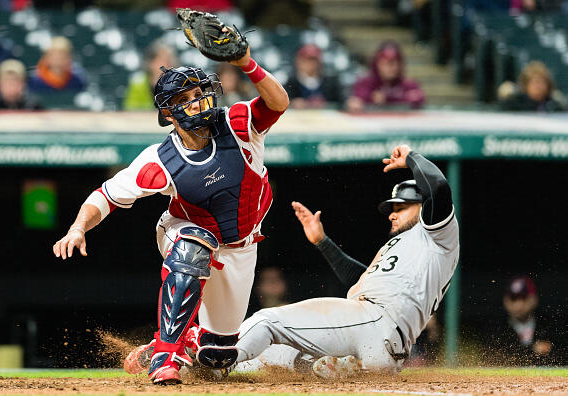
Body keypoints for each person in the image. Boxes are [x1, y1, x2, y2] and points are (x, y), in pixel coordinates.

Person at [53, 44, 289, 385]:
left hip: (242, 247)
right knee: (195, 246)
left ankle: (190, 341)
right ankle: (166, 354)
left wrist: (245, 63)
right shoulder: (161, 159)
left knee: (217, 358)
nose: (198, 101)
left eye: (199, 92)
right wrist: (77, 228)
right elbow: (105, 195)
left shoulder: (237, 124)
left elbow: (279, 102)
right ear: (169, 112)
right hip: (184, 230)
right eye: (186, 97)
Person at [122, 144, 458, 378]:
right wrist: (322, 242)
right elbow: (362, 280)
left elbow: (439, 186)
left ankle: (199, 353)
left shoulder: (438, 236)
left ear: (423, 207)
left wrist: (412, 157)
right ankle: (331, 368)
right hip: (376, 338)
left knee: (267, 322)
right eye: (392, 208)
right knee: (270, 359)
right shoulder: (406, 250)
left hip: (378, 322)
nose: (393, 213)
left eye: (401, 207)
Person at [486, 276, 563, 366]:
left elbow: (562, 353)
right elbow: (494, 358)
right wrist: (533, 349)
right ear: (505, 300)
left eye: (523, 298)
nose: (518, 304)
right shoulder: (496, 327)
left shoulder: (551, 324)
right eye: (513, 298)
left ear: (534, 298)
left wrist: (551, 348)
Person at [347, 41, 425, 111]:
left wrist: (387, 99)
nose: (389, 68)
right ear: (377, 64)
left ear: (400, 65)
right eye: (384, 64)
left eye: (392, 64)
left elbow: (419, 98)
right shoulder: (365, 83)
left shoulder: (409, 84)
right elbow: (356, 102)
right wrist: (369, 99)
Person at [284, 44, 343, 109]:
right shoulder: (292, 82)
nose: (310, 64)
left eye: (313, 60)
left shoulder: (331, 82)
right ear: (298, 61)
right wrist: (293, 103)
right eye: (306, 60)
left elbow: (340, 101)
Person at [124, 40, 178, 111]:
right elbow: (131, 110)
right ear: (151, 62)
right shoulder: (138, 84)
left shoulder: (180, 82)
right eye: (162, 59)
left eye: (169, 59)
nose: (168, 63)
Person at [498, 61, 566, 112]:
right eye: (535, 82)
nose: (539, 86)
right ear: (526, 85)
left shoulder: (554, 106)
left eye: (543, 82)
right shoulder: (514, 104)